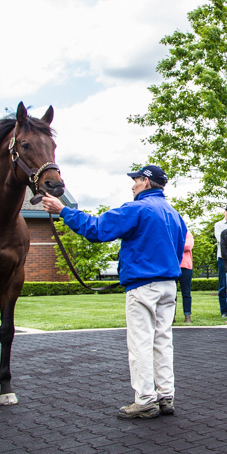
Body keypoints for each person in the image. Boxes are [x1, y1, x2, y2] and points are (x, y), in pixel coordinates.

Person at [42, 164, 186, 419]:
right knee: (163, 341)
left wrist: (63, 210)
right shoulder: (174, 214)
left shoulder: (137, 208)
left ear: (147, 182)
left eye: (136, 180)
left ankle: (144, 400)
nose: (133, 185)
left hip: (143, 285)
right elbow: (177, 251)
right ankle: (166, 395)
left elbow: (97, 230)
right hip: (168, 285)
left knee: (140, 343)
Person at [213, 205, 227, 318]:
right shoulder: (218, 225)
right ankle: (224, 310)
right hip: (223, 257)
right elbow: (221, 240)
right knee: (223, 285)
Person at [179, 231, 194, 323]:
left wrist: (175, 245)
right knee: (171, 294)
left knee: (186, 292)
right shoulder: (171, 232)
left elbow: (188, 246)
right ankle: (171, 316)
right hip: (173, 266)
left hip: (186, 266)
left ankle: (187, 315)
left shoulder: (187, 234)